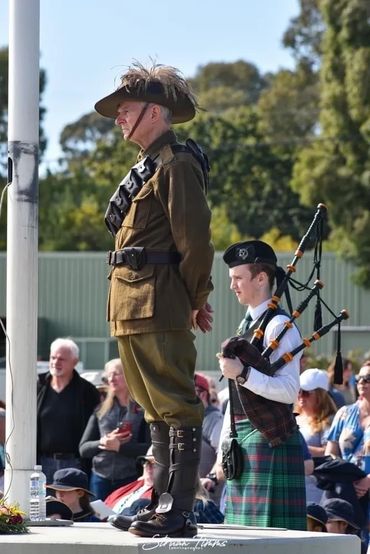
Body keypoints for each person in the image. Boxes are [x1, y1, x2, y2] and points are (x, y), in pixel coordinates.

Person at [94, 61, 214, 537]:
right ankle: (160, 505)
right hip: (131, 304)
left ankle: (178, 512)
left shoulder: (177, 164)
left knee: (177, 407)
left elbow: (195, 242)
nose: (119, 118)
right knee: (154, 411)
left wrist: (194, 297)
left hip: (160, 301)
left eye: (126, 109)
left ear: (155, 111)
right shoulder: (145, 169)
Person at [217, 240, 306, 530]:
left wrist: (243, 373)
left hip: (271, 443)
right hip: (245, 444)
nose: (232, 286)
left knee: (271, 540)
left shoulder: (279, 326)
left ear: (261, 278)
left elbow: (289, 390)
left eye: (238, 278)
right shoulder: (247, 326)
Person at [79, 358, 150, 500]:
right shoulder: (101, 410)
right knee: (98, 520)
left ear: (130, 376)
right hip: (100, 479)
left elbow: (150, 449)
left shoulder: (143, 411)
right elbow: (83, 449)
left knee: (124, 519)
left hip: (130, 478)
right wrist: (103, 442)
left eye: (117, 374)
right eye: (109, 375)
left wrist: (120, 447)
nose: (111, 378)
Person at [108, 448, 223, 531]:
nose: (148, 467)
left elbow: (223, 533)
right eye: (146, 462)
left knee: (140, 504)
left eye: (154, 464)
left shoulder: (203, 506)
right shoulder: (134, 490)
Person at [37, 338, 101, 483]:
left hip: (75, 464)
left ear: (75, 362)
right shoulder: (39, 386)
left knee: (71, 506)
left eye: (62, 359)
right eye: (53, 357)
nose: (55, 362)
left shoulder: (87, 391)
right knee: (42, 505)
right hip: (42, 463)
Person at [295, 368, 337, 503]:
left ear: (320, 395)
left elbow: (329, 453)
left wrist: (300, 447)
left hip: (315, 488)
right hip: (294, 483)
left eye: (306, 393)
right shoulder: (294, 418)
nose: (301, 396)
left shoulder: (328, 420)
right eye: (299, 391)